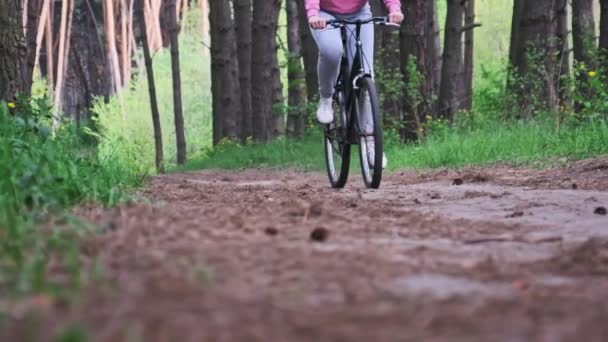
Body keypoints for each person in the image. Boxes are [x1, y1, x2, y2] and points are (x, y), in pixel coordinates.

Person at [306, 0, 403, 168]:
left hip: (359, 13)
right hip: (324, 13)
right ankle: (326, 98)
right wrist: (313, 13)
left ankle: (370, 141)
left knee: (366, 73)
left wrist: (394, 9)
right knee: (332, 51)